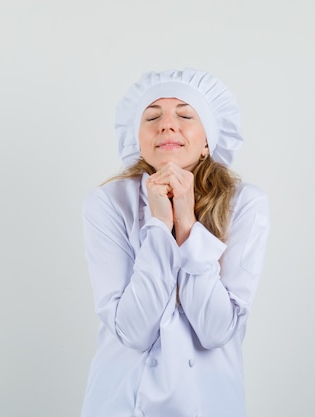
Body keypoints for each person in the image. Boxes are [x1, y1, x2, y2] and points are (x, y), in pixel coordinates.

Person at [80, 68, 270, 417]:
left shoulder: (244, 204)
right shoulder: (108, 202)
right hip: (121, 403)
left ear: (209, 140)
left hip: (210, 405)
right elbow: (133, 331)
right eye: (152, 116)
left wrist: (186, 223)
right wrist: (158, 225)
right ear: (138, 140)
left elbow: (215, 330)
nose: (167, 124)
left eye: (185, 114)